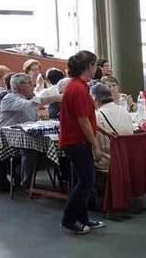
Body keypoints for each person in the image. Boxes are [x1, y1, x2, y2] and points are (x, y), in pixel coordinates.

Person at [59, 50, 103, 234]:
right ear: (89, 66)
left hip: (76, 140)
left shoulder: (78, 85)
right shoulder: (77, 88)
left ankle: (82, 218)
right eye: (95, 65)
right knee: (86, 181)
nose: (97, 68)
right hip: (77, 141)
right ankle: (69, 219)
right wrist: (95, 144)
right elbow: (82, 120)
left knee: (81, 180)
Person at [0, 73, 61, 186]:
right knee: (30, 151)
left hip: (27, 137)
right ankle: (26, 183)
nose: (33, 86)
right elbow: (28, 105)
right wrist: (55, 98)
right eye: (30, 84)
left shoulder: (29, 98)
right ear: (20, 86)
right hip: (10, 139)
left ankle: (63, 179)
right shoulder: (10, 98)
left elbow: (34, 115)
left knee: (60, 145)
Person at [90, 83, 133, 170]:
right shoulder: (124, 111)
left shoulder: (96, 115)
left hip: (106, 163)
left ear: (94, 99)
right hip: (126, 160)